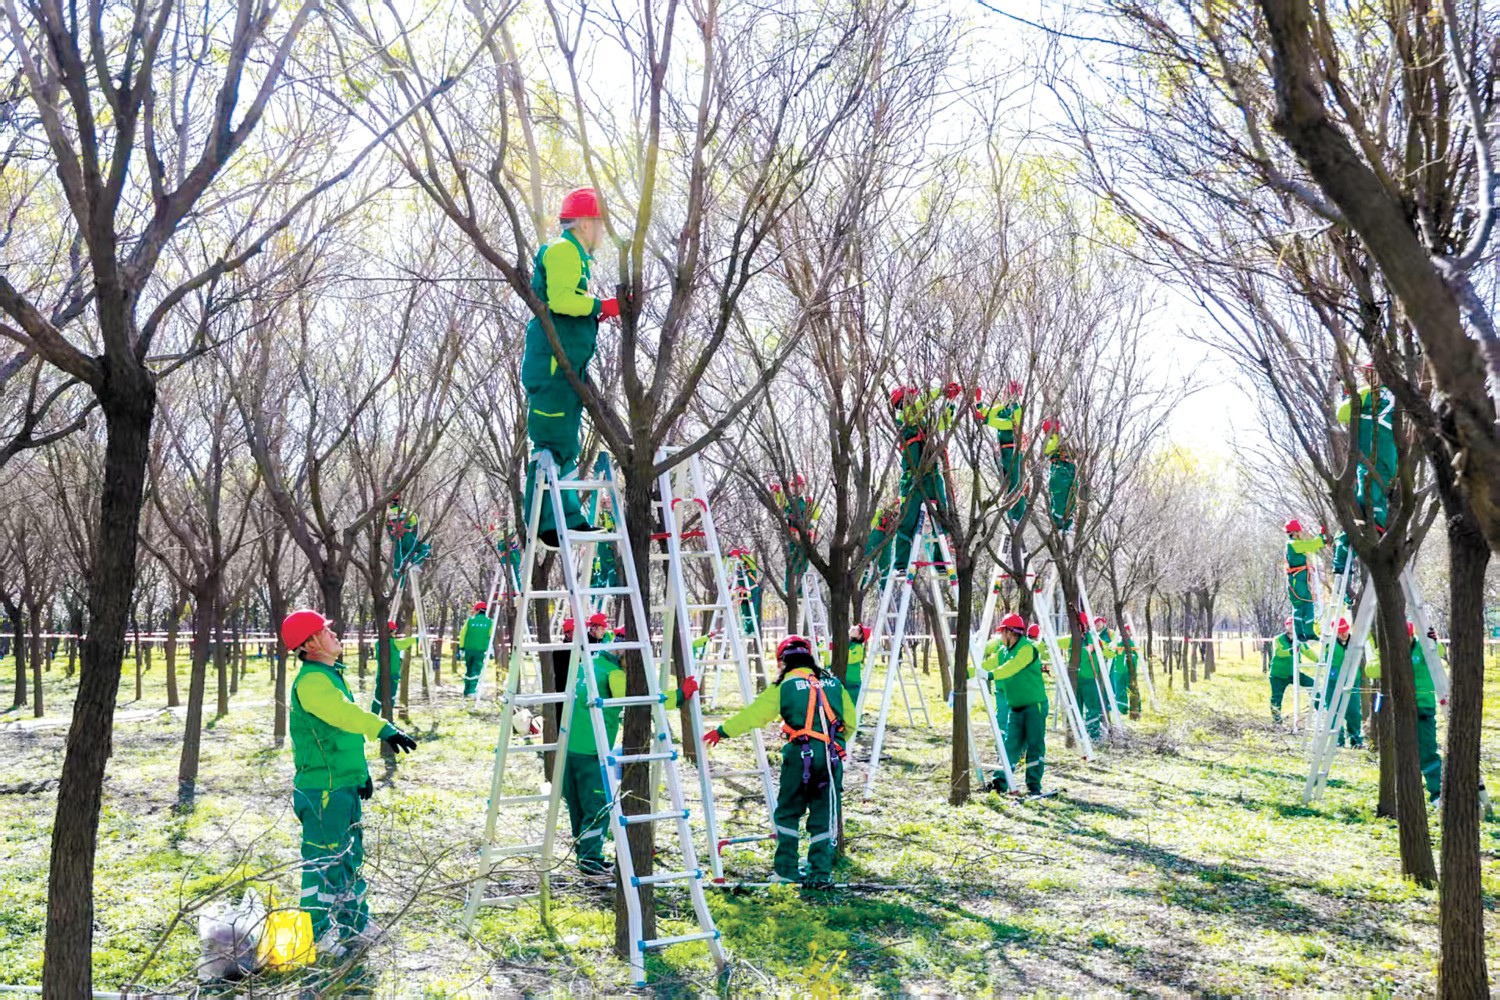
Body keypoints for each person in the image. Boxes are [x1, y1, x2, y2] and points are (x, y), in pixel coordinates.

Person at [281, 610, 417, 957]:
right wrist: (382, 728)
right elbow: (344, 715)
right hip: (323, 791)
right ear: (310, 644)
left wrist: (360, 775)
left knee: (348, 858)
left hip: (341, 785)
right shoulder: (312, 682)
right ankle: (316, 934)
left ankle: (354, 925)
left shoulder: (329, 675)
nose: (335, 634)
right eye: (326, 631)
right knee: (323, 863)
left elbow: (340, 736)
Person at [703, 635, 855, 887]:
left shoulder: (784, 685)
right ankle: (820, 873)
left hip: (800, 757)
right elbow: (850, 722)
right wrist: (833, 744)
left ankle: (786, 869)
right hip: (831, 757)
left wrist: (723, 731)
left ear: (782, 661)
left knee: (788, 812)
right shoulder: (834, 683)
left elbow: (755, 715)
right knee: (823, 814)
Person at [520, 187, 620, 549]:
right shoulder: (563, 250)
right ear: (585, 223)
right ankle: (545, 522)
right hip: (552, 367)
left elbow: (568, 305)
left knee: (565, 443)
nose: (602, 231)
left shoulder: (576, 256)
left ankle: (568, 516)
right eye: (599, 223)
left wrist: (597, 313)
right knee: (551, 441)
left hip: (565, 368)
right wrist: (600, 306)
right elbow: (562, 300)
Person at [563, 613, 698, 875]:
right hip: (592, 752)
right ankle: (589, 861)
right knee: (597, 808)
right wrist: (680, 695)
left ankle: (584, 856)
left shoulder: (590, 663)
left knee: (578, 807)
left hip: (570, 748)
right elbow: (641, 702)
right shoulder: (613, 674)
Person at [1332, 369, 1397, 582]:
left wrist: (1351, 396)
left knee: (1364, 500)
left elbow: (1342, 414)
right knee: (1377, 497)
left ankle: (1347, 552)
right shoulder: (1397, 394)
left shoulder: (1367, 393)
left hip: (1370, 456)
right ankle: (1379, 528)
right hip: (1390, 457)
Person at [890, 384, 962, 572]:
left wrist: (950, 402)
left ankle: (940, 560)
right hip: (912, 479)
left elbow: (943, 423)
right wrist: (941, 390)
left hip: (932, 477)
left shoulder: (924, 421)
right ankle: (901, 565)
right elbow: (922, 403)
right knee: (907, 522)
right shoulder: (905, 418)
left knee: (943, 517)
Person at [989, 613, 1048, 796]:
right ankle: (999, 783)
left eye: (1002, 632)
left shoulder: (1027, 649)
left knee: (1035, 745)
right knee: (1009, 745)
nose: (1001, 636)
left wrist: (990, 675)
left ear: (1010, 632)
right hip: (1015, 708)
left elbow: (1012, 667)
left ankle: (1033, 785)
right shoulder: (1003, 651)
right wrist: (967, 672)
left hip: (1034, 706)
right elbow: (987, 664)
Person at [976, 380, 1027, 522]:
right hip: (1002, 451)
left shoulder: (1016, 408)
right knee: (1007, 482)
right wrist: (978, 401)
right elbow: (986, 414)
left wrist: (988, 420)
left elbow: (1013, 423)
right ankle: (1010, 513)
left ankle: (1017, 515)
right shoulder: (1001, 408)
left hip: (1013, 449)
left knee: (1015, 482)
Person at [772, 474, 818, 595]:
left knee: (803, 562)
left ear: (802, 487)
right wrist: (777, 492)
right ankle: (791, 589)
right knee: (792, 562)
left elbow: (815, 516)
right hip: (793, 534)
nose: (796, 489)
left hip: (805, 534)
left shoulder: (805, 502)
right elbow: (781, 502)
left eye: (798, 486)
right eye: (793, 486)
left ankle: (800, 589)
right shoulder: (789, 501)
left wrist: (811, 505)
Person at [1321, 617, 1363, 748]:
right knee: (1333, 710)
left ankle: (1355, 739)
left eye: (1344, 630)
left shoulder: (1356, 642)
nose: (1343, 634)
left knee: (1353, 712)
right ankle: (1337, 739)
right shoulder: (1329, 644)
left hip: (1352, 681)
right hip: (1333, 682)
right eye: (1339, 631)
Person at [1284, 518, 1329, 642]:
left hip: (1301, 581)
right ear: (1294, 532)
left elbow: (1311, 547)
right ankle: (1300, 633)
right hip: (1297, 582)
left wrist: (1322, 539)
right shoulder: (1293, 544)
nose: (1300, 533)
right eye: (1299, 531)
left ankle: (1308, 633)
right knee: (1301, 607)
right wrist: (1321, 537)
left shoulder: (1296, 544)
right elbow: (1311, 546)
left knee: (1307, 606)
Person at [1269, 616, 1317, 725]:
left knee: (1312, 684)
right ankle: (1277, 721)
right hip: (1278, 675)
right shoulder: (1278, 639)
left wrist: (1320, 661)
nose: (1292, 627)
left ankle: (1319, 709)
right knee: (1276, 698)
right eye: (1289, 624)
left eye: (1294, 625)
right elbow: (1279, 653)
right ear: (1286, 626)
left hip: (1294, 673)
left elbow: (1308, 652)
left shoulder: (1299, 640)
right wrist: (1292, 650)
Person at [370, 620, 419, 715]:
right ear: (390, 631)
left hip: (380, 675)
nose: (395, 633)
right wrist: (418, 638)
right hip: (393, 676)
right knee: (391, 697)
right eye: (394, 631)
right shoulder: (394, 643)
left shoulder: (377, 644)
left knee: (378, 698)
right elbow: (406, 642)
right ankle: (388, 718)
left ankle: (373, 717)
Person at [1041, 419, 1077, 532]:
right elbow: (1049, 449)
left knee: (1072, 494)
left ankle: (1068, 522)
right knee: (1059, 495)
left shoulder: (1064, 440)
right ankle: (1059, 520)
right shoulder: (1049, 442)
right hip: (1059, 470)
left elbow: (1074, 453)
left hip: (1069, 469)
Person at [458, 602, 494, 699]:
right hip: (480, 650)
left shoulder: (469, 621)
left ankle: (466, 690)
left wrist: (461, 648)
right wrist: (491, 650)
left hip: (468, 650)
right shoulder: (490, 622)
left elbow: (462, 634)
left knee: (469, 670)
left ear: (477, 610)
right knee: (476, 670)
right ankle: (472, 691)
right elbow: (491, 637)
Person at [727, 548, 763, 636]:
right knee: (744, 611)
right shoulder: (738, 568)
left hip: (752, 592)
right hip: (743, 593)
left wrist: (741, 555)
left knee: (752, 611)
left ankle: (752, 630)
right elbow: (731, 568)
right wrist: (730, 556)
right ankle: (746, 630)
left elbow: (750, 560)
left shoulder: (752, 567)